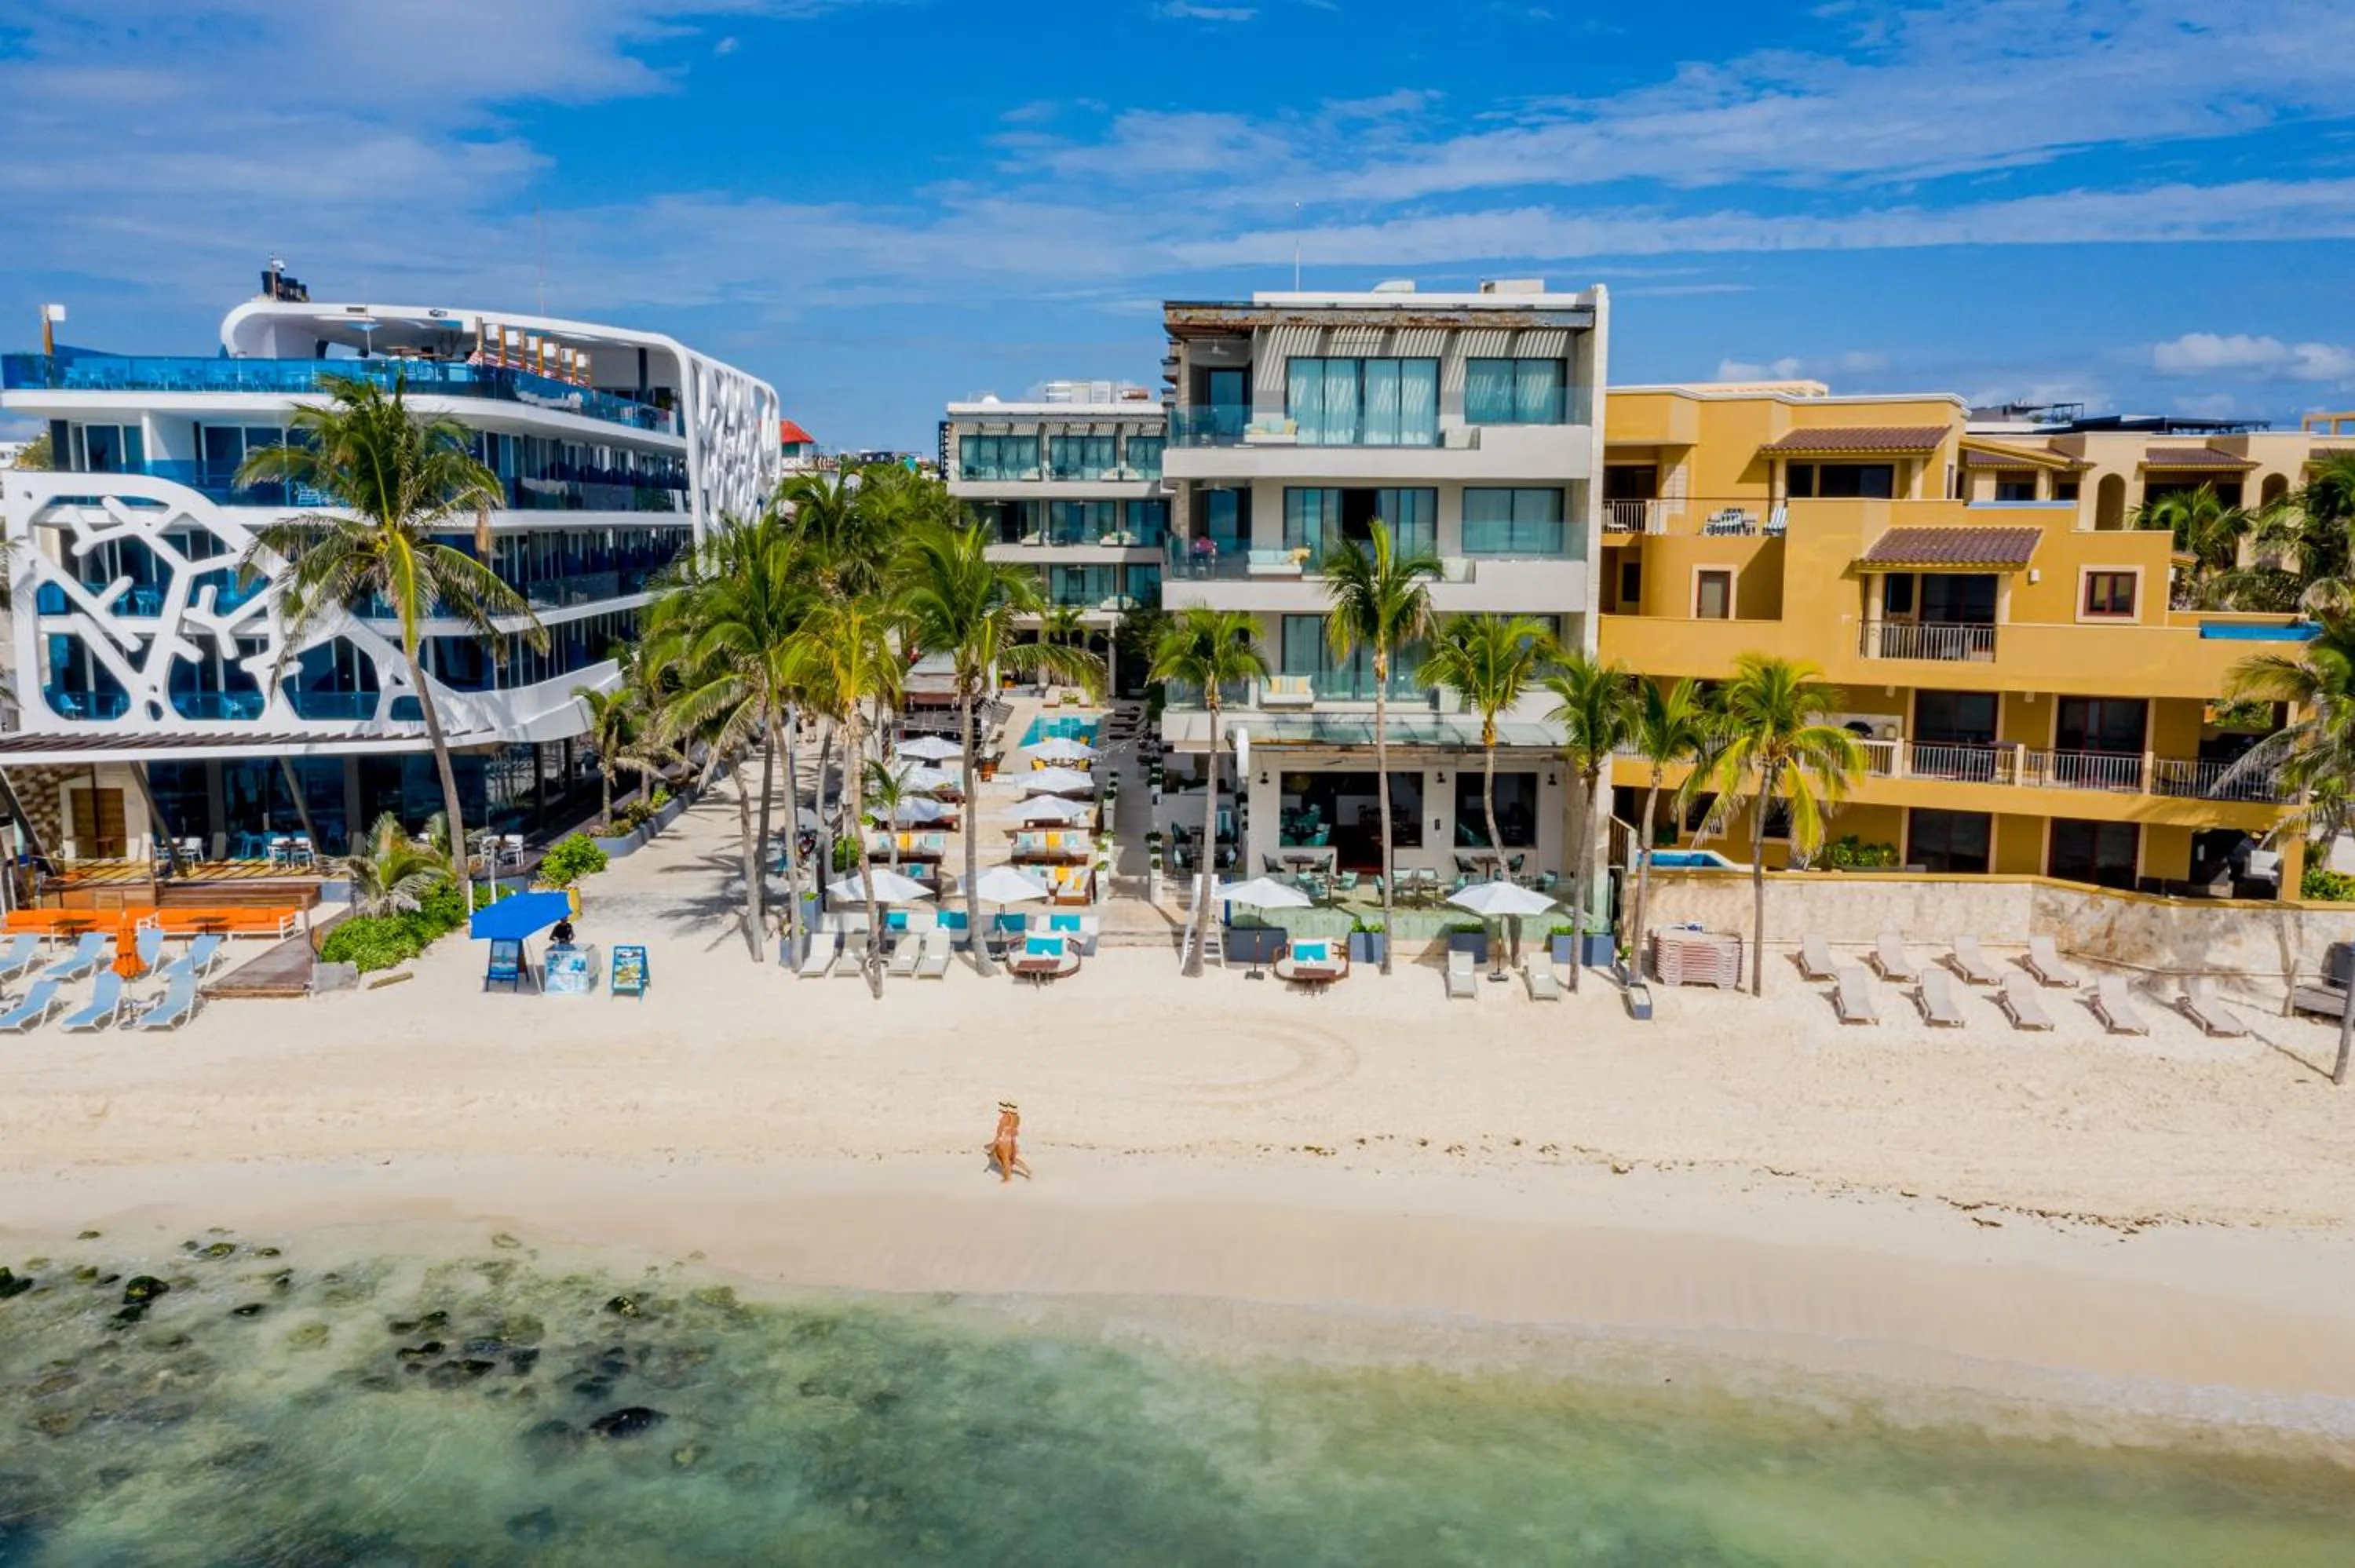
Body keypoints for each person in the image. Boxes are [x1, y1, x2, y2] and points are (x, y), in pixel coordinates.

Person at [985, 1101, 1031, 1185]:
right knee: (1011, 1159)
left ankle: (1007, 1178)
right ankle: (1028, 1170)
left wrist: (994, 1144)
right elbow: (1014, 1131)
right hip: (1011, 1140)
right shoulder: (1016, 1118)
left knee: (1005, 1159)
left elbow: (999, 1133)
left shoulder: (1004, 1118)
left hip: (1003, 1141)